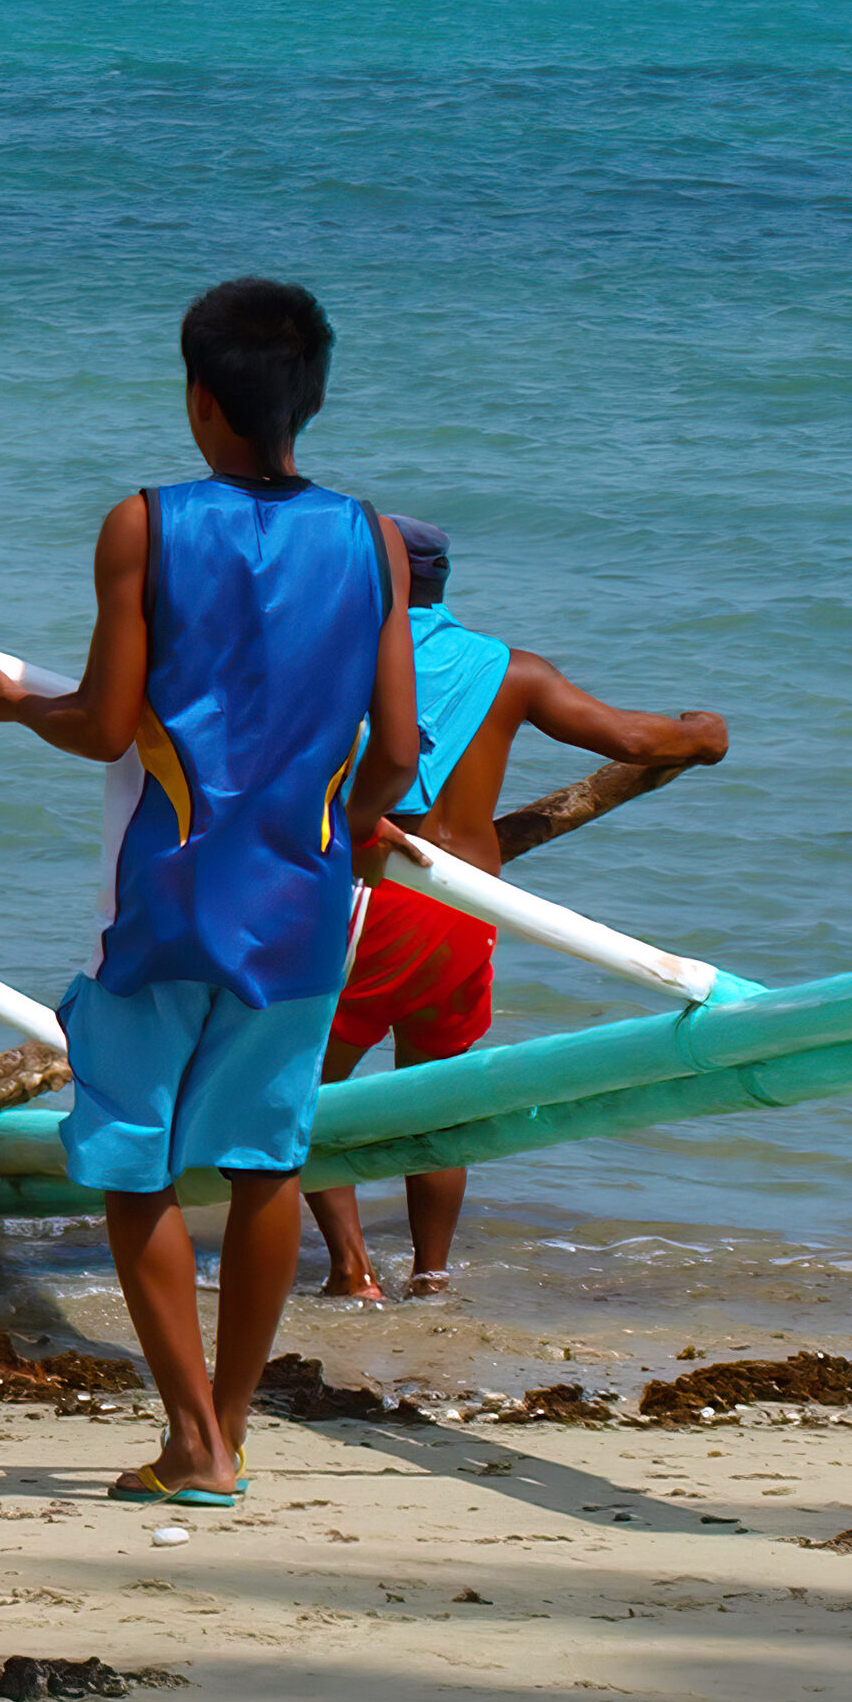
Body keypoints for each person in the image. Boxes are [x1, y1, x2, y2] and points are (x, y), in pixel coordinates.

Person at [0, 275, 418, 1512]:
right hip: (301, 898)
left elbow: (104, 721)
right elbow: (400, 751)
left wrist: (5, 704)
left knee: (133, 1165)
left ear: (199, 399)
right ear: (306, 398)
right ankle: (229, 1429)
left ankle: (191, 1435)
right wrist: (350, 829)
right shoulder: (369, 535)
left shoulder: (141, 524)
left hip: (161, 891)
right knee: (264, 1161)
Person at [306, 522, 729, 1303]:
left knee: (305, 1089)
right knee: (436, 1094)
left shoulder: (341, 659)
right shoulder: (511, 670)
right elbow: (637, 737)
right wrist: (702, 735)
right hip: (469, 913)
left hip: (379, 899)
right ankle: (431, 1275)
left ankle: (352, 1271)